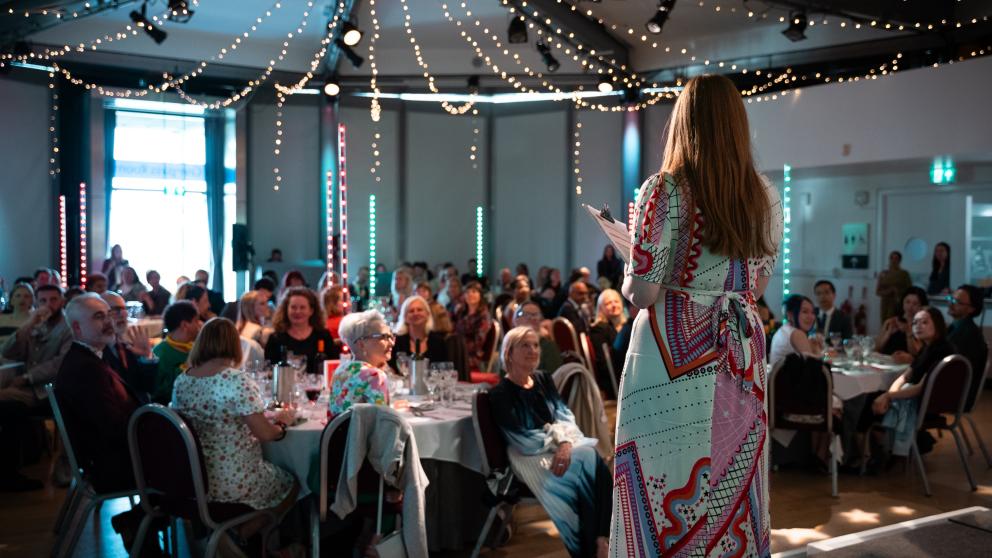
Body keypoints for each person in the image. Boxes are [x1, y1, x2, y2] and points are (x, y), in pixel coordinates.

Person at [614, 75, 781, 556]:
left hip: (669, 356)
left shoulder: (664, 190)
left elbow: (643, 292)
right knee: (736, 474)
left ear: (683, 123)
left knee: (664, 477)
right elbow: (758, 286)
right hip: (740, 348)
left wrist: (634, 250)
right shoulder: (765, 196)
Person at [171, 318, 299, 547]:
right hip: (233, 480)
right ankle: (240, 535)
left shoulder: (183, 380)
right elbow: (265, 434)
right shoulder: (236, 380)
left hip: (193, 478)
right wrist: (283, 425)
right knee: (292, 483)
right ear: (234, 345)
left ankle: (235, 538)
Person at [489, 327, 611, 558]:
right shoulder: (500, 393)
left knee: (590, 460)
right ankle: (598, 543)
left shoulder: (543, 379)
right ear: (508, 352)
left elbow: (566, 417)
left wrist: (564, 442)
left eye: (535, 345)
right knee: (589, 463)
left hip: (558, 448)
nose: (532, 350)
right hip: (528, 458)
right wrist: (561, 442)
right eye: (525, 345)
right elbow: (522, 440)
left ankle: (598, 541)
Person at [52, 294, 151, 549]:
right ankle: (139, 525)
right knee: (186, 465)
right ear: (76, 328)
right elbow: (111, 428)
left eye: (108, 314)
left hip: (110, 457)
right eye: (99, 317)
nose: (109, 321)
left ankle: (140, 527)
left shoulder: (93, 357)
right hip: (111, 467)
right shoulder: (84, 369)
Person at [0, 284, 71, 492]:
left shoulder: (67, 328)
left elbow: (59, 364)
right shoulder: (37, 325)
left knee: (7, 407)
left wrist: (26, 378)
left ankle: (9, 474)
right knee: (7, 407)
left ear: (62, 301)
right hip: (29, 389)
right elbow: (8, 352)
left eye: (53, 300)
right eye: (43, 301)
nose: (48, 305)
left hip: (50, 391)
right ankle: (10, 469)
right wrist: (28, 324)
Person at [867, 307, 954, 458]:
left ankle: (866, 456)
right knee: (875, 398)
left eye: (924, 322)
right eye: (915, 323)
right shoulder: (927, 349)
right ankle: (879, 450)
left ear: (938, 325)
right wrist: (890, 395)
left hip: (926, 405)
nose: (918, 326)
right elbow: (904, 377)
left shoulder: (942, 351)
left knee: (865, 403)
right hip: (921, 400)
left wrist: (888, 396)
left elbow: (920, 388)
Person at [329, 310, 393, 415]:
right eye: (383, 337)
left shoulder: (340, 370)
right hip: (362, 432)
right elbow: (381, 422)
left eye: (390, 336)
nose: (391, 343)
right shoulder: (374, 375)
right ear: (361, 344)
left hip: (339, 431)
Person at [264, 287, 338, 376]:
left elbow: (333, 367)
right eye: (293, 307)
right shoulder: (276, 338)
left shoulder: (323, 335)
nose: (298, 311)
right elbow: (269, 370)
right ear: (286, 310)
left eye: (302, 308)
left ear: (311, 311)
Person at [100, 292, 158, 401]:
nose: (124, 314)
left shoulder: (125, 345)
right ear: (101, 314)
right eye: (116, 310)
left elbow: (148, 388)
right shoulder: (98, 349)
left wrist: (147, 356)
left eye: (124, 309)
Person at [152, 301, 203, 404]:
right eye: (196, 320)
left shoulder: (193, 346)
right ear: (185, 325)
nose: (200, 324)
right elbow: (161, 393)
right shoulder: (160, 353)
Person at [947, 284, 988, 410]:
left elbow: (947, 368)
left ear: (971, 309)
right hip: (951, 391)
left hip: (954, 396)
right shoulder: (957, 327)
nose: (951, 304)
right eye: (951, 299)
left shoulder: (967, 333)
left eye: (957, 302)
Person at [388, 295, 448, 372]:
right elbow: (390, 370)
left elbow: (444, 371)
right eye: (411, 311)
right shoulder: (396, 342)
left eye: (419, 310)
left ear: (427, 314)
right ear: (405, 317)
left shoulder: (438, 341)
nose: (415, 313)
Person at [769, 294, 823, 369]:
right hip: (787, 379)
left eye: (813, 312)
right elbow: (815, 368)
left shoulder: (784, 330)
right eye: (805, 312)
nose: (810, 317)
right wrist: (817, 348)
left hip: (777, 378)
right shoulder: (796, 333)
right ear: (790, 314)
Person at [588, 289, 626, 393]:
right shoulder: (598, 329)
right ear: (601, 308)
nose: (614, 305)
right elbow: (604, 363)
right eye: (608, 303)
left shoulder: (626, 326)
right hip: (615, 380)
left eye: (616, 301)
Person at [876, 287, 928, 360]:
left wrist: (908, 331)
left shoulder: (923, 326)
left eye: (915, 304)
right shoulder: (891, 321)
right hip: (886, 362)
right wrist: (888, 334)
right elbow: (877, 348)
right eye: (907, 302)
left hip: (907, 365)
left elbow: (916, 353)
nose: (910, 307)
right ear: (902, 303)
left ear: (921, 307)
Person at [513, 301, 563, 373]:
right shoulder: (509, 344)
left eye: (536, 315)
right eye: (526, 314)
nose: (533, 318)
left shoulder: (548, 347)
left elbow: (553, 378)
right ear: (516, 320)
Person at [454, 282, 492, 371]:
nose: (470, 294)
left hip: (472, 356)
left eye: (474, 292)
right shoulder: (462, 312)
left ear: (480, 295)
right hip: (459, 350)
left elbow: (479, 341)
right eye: (467, 292)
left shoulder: (484, 315)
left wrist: (458, 347)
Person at [876, 251, 912, 323]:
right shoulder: (884, 273)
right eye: (892, 258)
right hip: (885, 303)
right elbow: (877, 291)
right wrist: (889, 290)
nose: (893, 260)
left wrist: (898, 292)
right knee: (885, 322)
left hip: (897, 302)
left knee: (895, 322)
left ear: (899, 260)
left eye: (896, 258)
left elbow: (909, 290)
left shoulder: (904, 274)